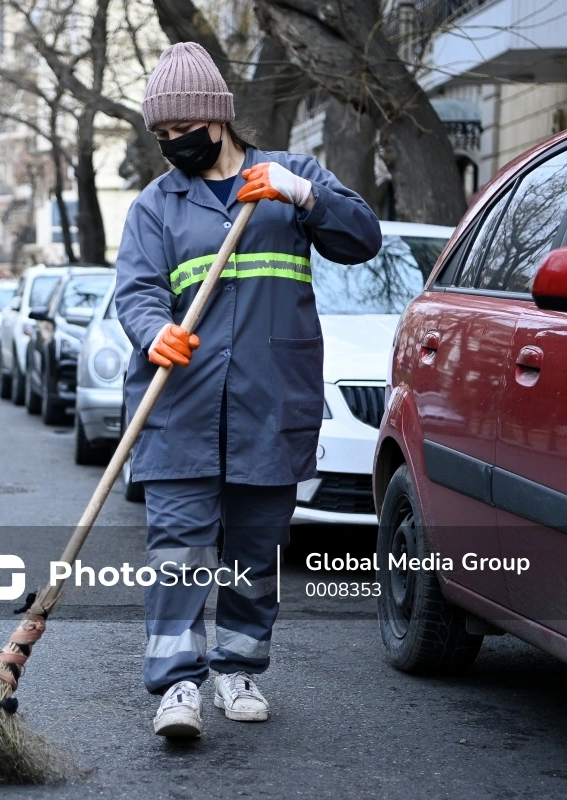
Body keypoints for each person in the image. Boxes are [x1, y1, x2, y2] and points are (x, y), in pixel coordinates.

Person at [114, 42, 382, 738]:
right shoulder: (155, 206)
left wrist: (305, 197)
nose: (174, 146)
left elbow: (363, 239)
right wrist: (153, 333)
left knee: (253, 551)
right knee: (176, 548)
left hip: (271, 405)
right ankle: (177, 687)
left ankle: (238, 670)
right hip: (179, 407)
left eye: (183, 132)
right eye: (163, 138)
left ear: (218, 120)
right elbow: (137, 290)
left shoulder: (290, 176)